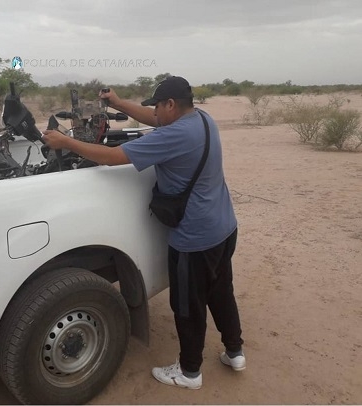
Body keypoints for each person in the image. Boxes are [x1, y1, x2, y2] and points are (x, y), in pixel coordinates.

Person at [42, 76, 245, 390]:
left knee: (188, 306)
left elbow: (112, 158)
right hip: (224, 227)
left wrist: (66, 142)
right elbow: (154, 119)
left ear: (171, 104)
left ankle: (190, 372)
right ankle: (235, 352)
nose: (155, 113)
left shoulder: (173, 135)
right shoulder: (202, 119)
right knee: (221, 292)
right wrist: (118, 103)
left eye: (158, 107)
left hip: (195, 239)